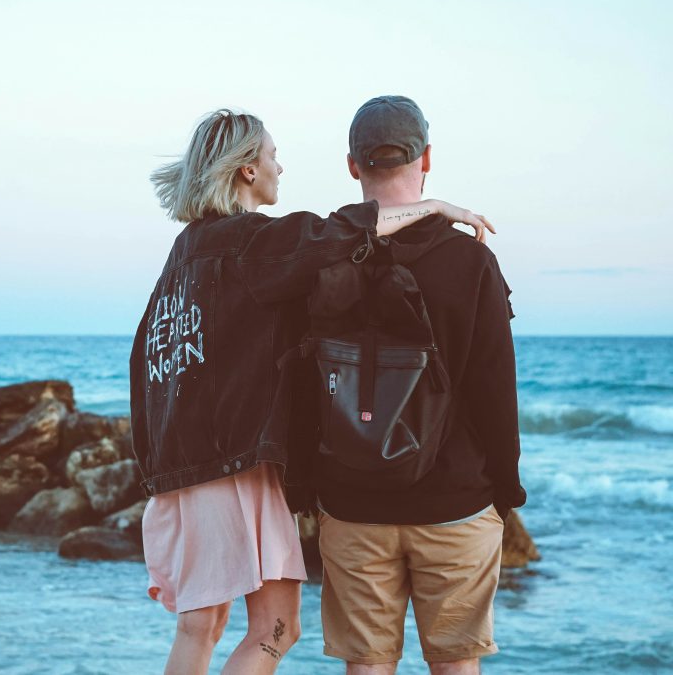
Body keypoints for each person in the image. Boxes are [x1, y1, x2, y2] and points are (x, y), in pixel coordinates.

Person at [128, 108, 492, 675]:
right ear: (247, 169)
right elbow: (340, 233)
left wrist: (152, 470)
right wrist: (437, 208)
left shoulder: (183, 255)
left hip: (178, 476)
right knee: (277, 629)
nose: (280, 165)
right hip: (233, 469)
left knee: (199, 628)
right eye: (272, 156)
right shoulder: (251, 243)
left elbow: (145, 367)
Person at [313, 96, 526, 674]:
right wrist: (504, 490)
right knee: (456, 666)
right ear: (426, 157)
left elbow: (299, 385)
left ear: (353, 165)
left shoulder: (321, 255)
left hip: (351, 503)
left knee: (367, 665)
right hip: (454, 502)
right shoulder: (471, 261)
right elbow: (493, 390)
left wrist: (306, 489)